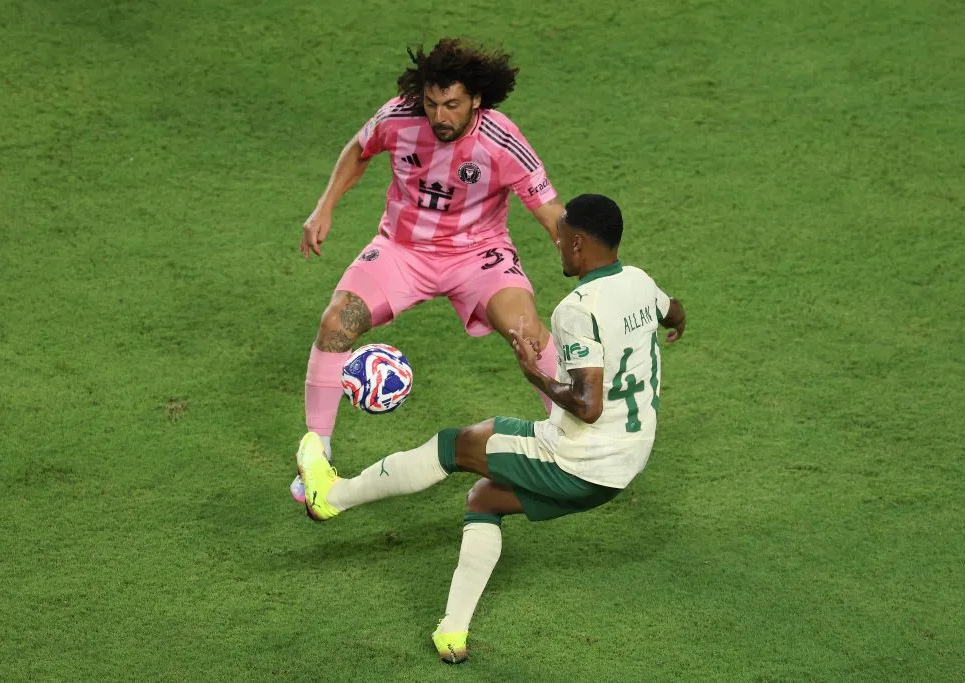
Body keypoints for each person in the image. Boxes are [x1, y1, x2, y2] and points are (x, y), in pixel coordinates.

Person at [295, 194, 687, 663]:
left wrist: (535, 374)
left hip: (580, 458)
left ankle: (330, 497)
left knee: (454, 445)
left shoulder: (578, 309)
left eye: (561, 237)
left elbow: (587, 405)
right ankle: (452, 634)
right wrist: (673, 324)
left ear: (579, 244)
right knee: (484, 499)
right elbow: (673, 310)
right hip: (627, 462)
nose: (556, 244)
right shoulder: (641, 282)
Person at [291, 37, 567, 502]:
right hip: (403, 250)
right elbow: (358, 149)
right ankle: (316, 457)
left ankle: (576, 437)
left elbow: (550, 211)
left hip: (478, 255)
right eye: (433, 103)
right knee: (336, 322)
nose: (440, 116)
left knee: (527, 330)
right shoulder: (399, 116)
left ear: (476, 100)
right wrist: (324, 208)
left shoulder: (501, 139)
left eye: (453, 105)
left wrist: (589, 264)